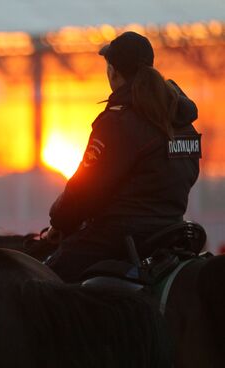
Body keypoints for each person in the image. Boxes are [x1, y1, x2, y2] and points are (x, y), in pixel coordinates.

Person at [43, 31, 201, 283]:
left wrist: (59, 222)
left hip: (120, 238)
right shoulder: (181, 121)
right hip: (171, 232)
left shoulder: (117, 122)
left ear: (113, 72)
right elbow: (188, 174)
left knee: (44, 283)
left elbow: (85, 189)